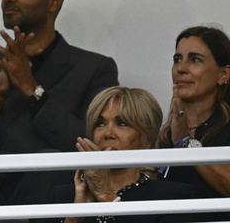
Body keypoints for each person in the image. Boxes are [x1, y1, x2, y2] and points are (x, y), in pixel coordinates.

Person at [0, 0, 119, 208]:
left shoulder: (94, 70)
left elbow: (93, 146)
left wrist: (32, 90)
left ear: (54, 1)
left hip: (57, 207)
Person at [53, 86, 192, 223]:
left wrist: (106, 196)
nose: (108, 133)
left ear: (147, 139)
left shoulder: (171, 198)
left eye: (122, 123)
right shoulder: (64, 196)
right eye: (100, 124)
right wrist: (74, 218)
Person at [157, 25, 230, 220]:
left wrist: (185, 143)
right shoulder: (165, 133)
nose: (181, 68)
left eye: (195, 60)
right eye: (177, 59)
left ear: (224, 75)